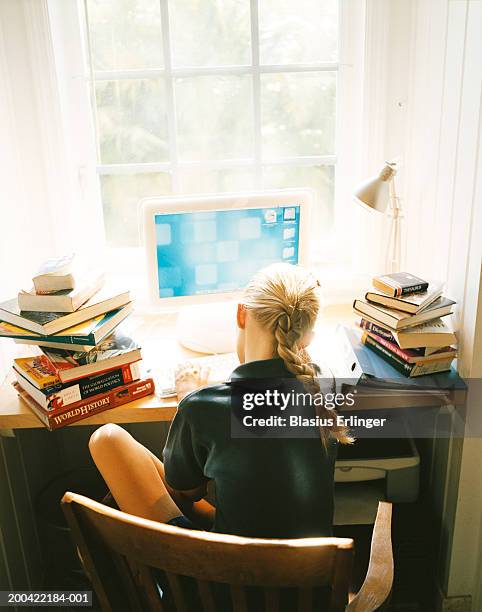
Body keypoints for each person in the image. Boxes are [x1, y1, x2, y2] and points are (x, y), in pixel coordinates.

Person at [89, 263, 353, 538]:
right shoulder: (323, 388)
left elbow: (188, 492)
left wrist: (189, 398)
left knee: (106, 439)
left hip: (225, 575)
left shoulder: (201, 407)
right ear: (308, 334)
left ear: (242, 314)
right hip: (311, 573)